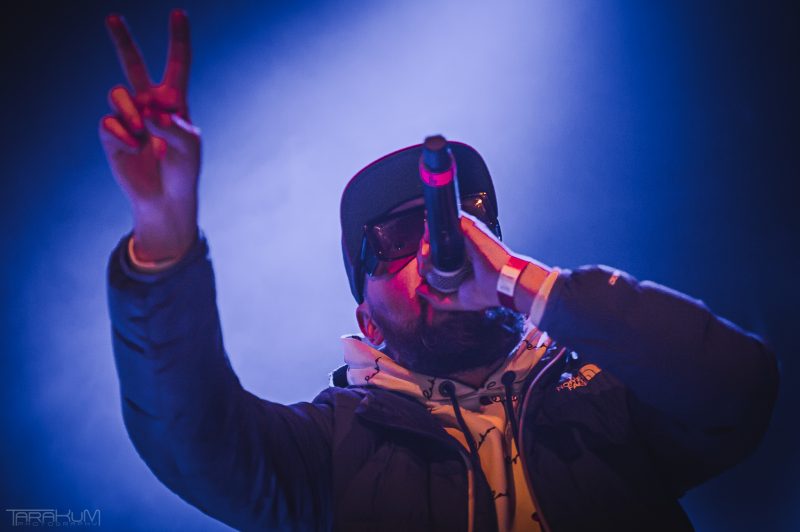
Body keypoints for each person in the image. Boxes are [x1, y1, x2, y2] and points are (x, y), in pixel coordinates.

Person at [101, 10, 779, 532]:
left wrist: (524, 283)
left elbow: (739, 388)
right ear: (366, 320)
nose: (434, 247)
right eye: (397, 238)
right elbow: (193, 442)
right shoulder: (332, 448)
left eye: (458, 223)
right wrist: (163, 231)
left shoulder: (608, 391)